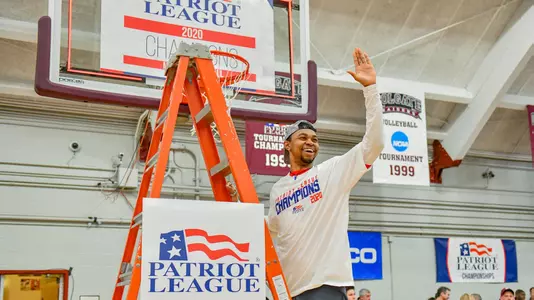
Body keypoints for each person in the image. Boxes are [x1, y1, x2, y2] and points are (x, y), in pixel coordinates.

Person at [266, 47, 384, 300]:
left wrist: (370, 90)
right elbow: (272, 229)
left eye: (315, 139)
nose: (311, 142)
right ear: (287, 145)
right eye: (303, 137)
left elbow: (374, 144)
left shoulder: (332, 171)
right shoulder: (278, 189)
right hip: (287, 291)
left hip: (323, 288)